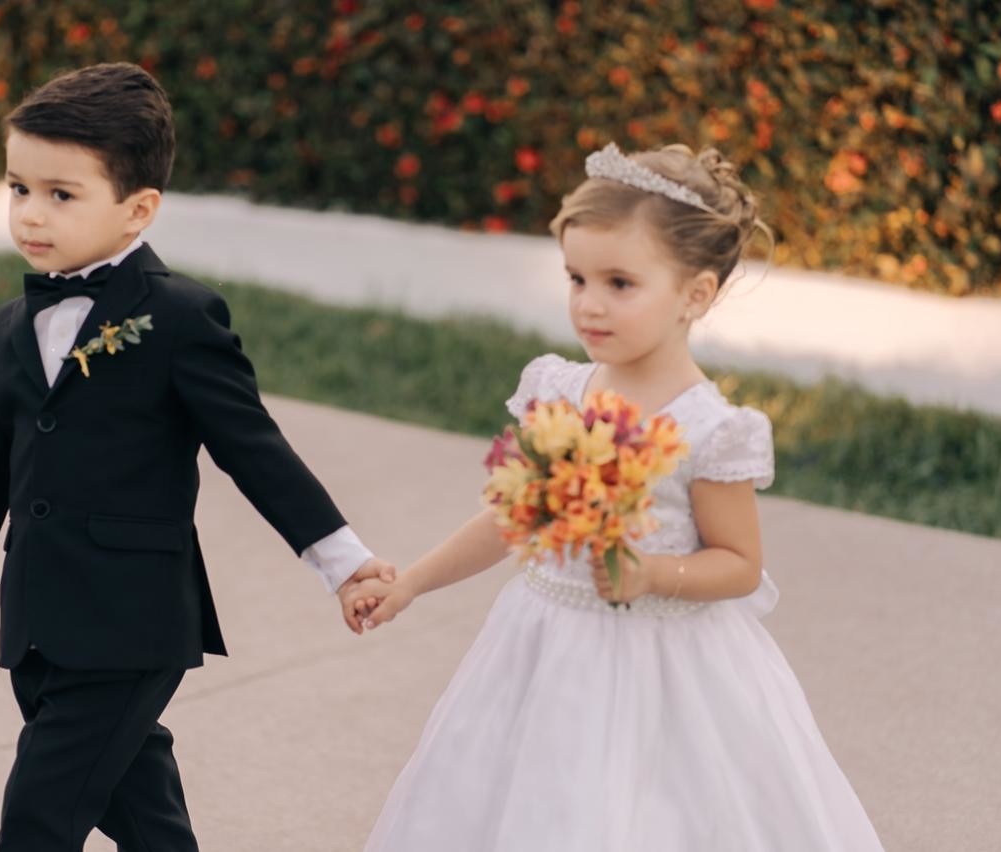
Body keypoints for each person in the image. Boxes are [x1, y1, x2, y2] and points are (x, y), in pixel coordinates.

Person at [0, 62, 394, 852]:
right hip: (38, 624)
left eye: (61, 194)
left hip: (131, 624)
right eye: (17, 188)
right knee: (143, 812)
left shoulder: (178, 317)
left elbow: (254, 449)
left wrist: (342, 562)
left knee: (39, 818)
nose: (30, 215)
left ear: (138, 208)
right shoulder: (8, 326)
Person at [346, 142, 884, 851]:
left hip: (664, 670)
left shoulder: (708, 429)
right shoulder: (561, 388)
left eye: (620, 284)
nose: (588, 305)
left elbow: (740, 564)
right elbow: (517, 516)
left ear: (696, 293)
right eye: (576, 278)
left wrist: (653, 573)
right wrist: (412, 582)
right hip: (543, 647)